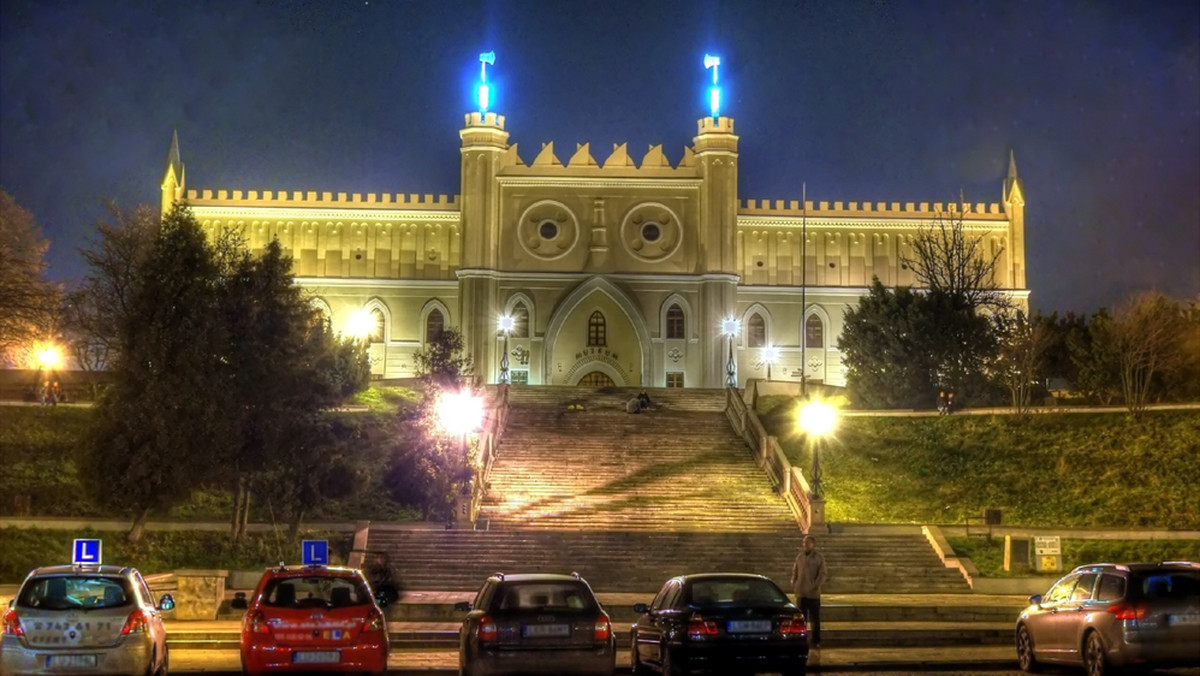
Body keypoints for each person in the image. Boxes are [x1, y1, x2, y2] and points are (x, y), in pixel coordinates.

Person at [790, 535, 828, 648]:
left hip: (813, 594)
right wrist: (794, 584)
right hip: (801, 593)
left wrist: (815, 585)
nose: (805, 545)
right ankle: (801, 638)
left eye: (807, 543)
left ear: (813, 544)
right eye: (804, 543)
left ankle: (816, 640)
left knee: (814, 619)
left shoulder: (818, 557)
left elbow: (823, 574)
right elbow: (795, 572)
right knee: (801, 619)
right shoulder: (800, 557)